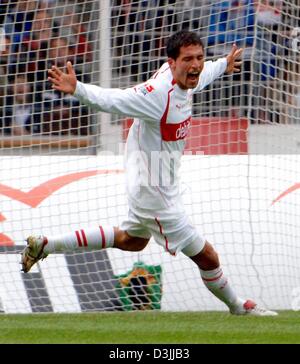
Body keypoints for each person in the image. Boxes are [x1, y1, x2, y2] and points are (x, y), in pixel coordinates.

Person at [21, 30, 277, 316]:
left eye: (200, 58)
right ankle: (237, 306)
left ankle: (46, 244)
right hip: (155, 193)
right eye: (188, 59)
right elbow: (113, 99)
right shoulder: (156, 95)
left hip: (151, 181)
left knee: (132, 241)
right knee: (206, 255)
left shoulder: (188, 78)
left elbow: (201, 77)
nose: (195, 65)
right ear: (171, 63)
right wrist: (78, 88)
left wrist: (222, 64)